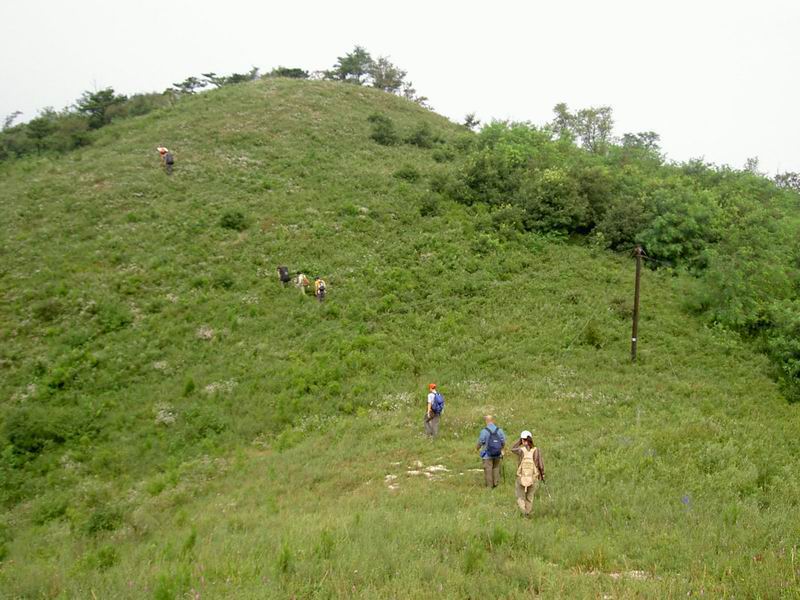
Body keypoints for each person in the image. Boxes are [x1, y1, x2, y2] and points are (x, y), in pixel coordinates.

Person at [510, 430, 545, 517]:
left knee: (520, 496)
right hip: (533, 477)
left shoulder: (521, 450)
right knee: (530, 496)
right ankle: (528, 513)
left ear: (522, 439)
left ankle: (523, 512)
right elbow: (541, 465)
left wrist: (519, 441)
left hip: (521, 477)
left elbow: (512, 449)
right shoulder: (536, 450)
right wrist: (542, 475)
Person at [476, 415, 506, 488]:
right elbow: (503, 441)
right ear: (493, 420)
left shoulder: (484, 431)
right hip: (497, 453)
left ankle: (489, 486)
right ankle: (496, 484)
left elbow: (480, 442)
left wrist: (477, 448)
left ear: (486, 421)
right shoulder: (499, 430)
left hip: (487, 454)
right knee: (496, 468)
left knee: (488, 469)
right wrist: (501, 449)